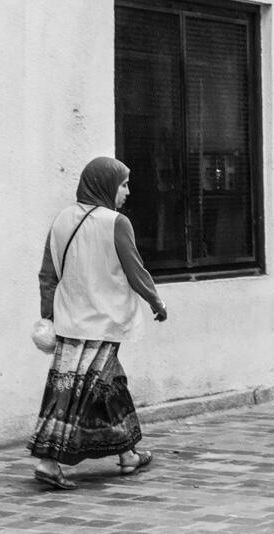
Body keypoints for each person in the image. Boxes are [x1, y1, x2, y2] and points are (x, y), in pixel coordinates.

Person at [28, 156, 168, 490]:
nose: (128, 192)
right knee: (75, 393)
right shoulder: (116, 223)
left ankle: (127, 454)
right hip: (103, 323)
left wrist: (49, 314)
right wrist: (156, 302)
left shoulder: (61, 220)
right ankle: (49, 462)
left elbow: (48, 275)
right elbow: (135, 270)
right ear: (106, 186)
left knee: (108, 386)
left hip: (70, 321)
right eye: (123, 184)